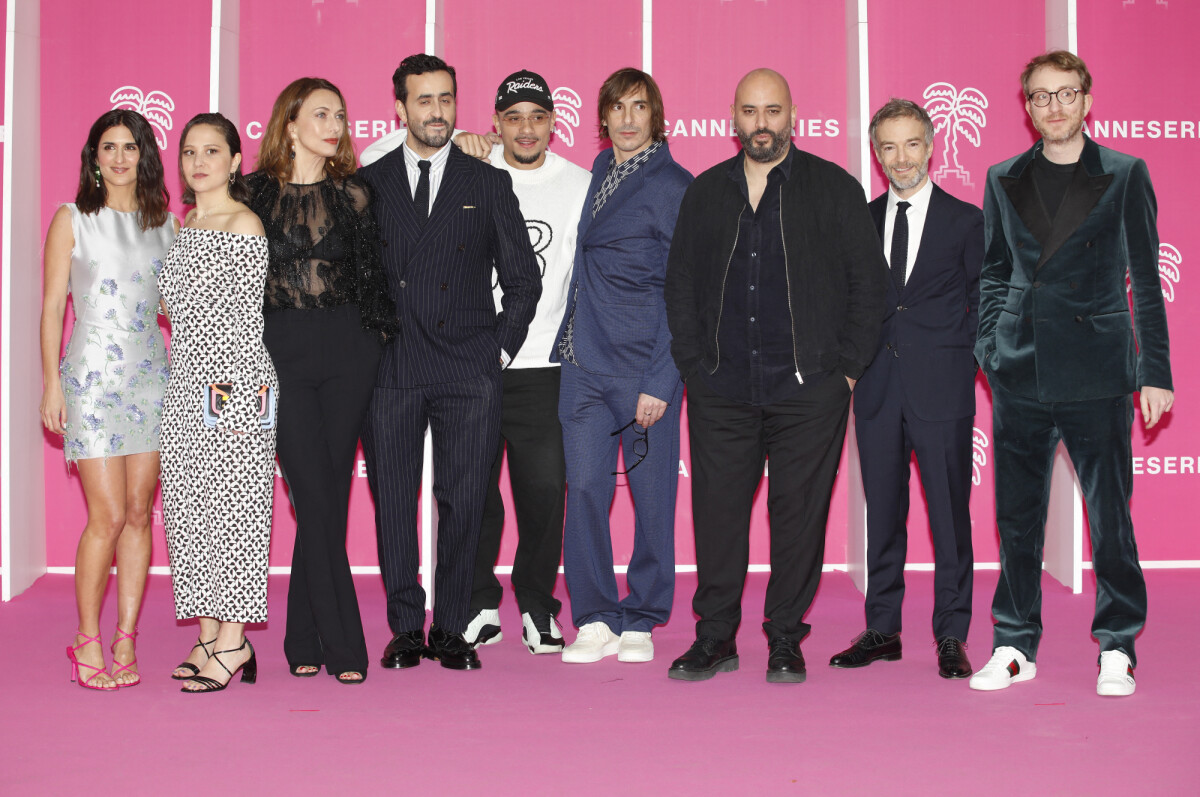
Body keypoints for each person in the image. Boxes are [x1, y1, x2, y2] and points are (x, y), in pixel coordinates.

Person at [663, 68, 887, 683]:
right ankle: (714, 640)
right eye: (750, 111)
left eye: (773, 111)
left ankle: (785, 639)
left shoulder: (834, 189)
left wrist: (844, 371)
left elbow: (869, 287)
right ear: (733, 118)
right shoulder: (706, 191)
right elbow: (679, 283)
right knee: (717, 518)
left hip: (808, 391)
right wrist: (693, 364)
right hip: (721, 387)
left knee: (798, 520)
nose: (761, 123)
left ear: (793, 114)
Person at [358, 71, 589, 654]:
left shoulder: (485, 181)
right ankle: (408, 627)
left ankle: (452, 626)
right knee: (394, 499)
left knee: (465, 500)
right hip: (394, 367)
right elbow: (353, 280)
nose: (437, 111)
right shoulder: (370, 181)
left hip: (470, 365)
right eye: (424, 100)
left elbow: (522, 279)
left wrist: (498, 350)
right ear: (400, 108)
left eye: (446, 99)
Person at [969, 51, 1172, 697]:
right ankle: (1012, 643)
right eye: (1040, 97)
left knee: (1111, 518)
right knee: (1017, 519)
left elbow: (1144, 281)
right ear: (1026, 107)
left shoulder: (1124, 173)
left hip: (1100, 371)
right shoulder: (1004, 177)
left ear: (1087, 99)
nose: (1053, 107)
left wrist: (1155, 372)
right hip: (1021, 370)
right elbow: (995, 272)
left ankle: (1117, 644)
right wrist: (990, 349)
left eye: (1065, 94)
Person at [248, 78, 397, 685]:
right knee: (312, 491)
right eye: (320, 113)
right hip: (278, 352)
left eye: (340, 113)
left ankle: (302, 636)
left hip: (349, 350)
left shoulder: (356, 194)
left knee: (327, 494)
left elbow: (375, 280)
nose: (334, 124)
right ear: (289, 123)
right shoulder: (250, 194)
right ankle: (345, 644)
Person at [828, 99, 981, 680]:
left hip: (941, 388)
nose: (900, 158)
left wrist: (958, 361)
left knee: (949, 516)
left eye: (911, 144)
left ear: (931, 143)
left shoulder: (965, 220)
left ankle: (951, 633)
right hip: (875, 389)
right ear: (876, 152)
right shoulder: (861, 221)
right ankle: (883, 629)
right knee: (883, 517)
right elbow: (849, 304)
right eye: (888, 147)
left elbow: (983, 302)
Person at [553, 67, 692, 665]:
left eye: (640, 107)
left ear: (654, 116)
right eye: (618, 108)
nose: (629, 119)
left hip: (643, 371)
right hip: (582, 362)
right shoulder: (600, 174)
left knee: (652, 497)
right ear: (603, 118)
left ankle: (642, 614)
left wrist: (664, 379)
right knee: (583, 489)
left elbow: (685, 293)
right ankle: (595, 616)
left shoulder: (674, 183)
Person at [41, 109, 176, 690]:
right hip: (91, 380)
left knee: (142, 514)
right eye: (108, 147)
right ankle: (85, 638)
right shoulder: (73, 219)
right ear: (93, 157)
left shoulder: (167, 225)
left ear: (145, 155)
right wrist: (51, 382)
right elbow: (51, 308)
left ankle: (125, 638)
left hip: (152, 380)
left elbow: (174, 308)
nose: (119, 157)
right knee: (109, 514)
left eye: (130, 147)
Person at [159, 113, 277, 693]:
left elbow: (239, 325)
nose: (199, 162)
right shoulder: (184, 226)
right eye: (189, 152)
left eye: (212, 151)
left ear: (235, 161)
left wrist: (224, 403)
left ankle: (233, 642)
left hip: (231, 386)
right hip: (185, 383)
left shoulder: (243, 223)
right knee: (189, 513)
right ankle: (209, 633)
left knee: (234, 512)